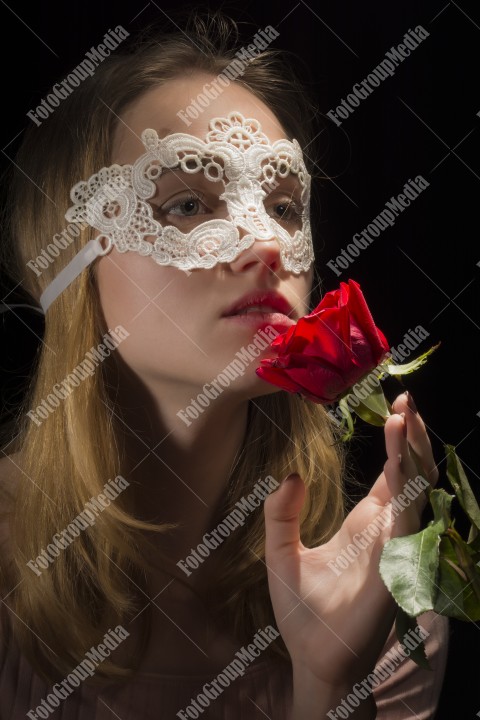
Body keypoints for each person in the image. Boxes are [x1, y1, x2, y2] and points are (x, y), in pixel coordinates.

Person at [0, 11, 448, 719]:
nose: (265, 244)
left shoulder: (379, 600)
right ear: (67, 264)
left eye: (283, 205)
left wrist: (332, 685)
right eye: (186, 204)